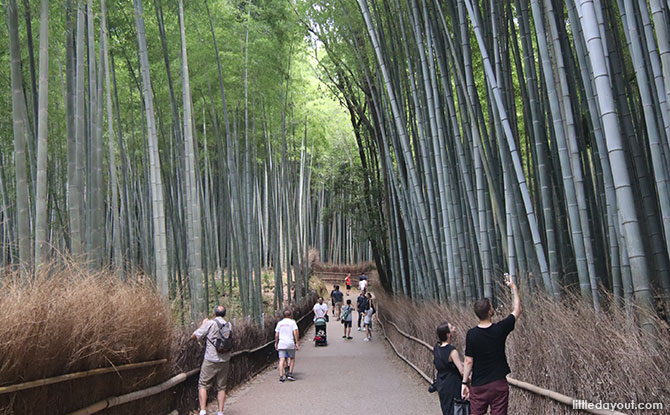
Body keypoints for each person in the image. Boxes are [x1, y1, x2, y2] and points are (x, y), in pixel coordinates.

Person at [461, 274, 521, 415]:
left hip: (479, 385)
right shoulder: (500, 329)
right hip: (498, 384)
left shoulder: (471, 334)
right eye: (492, 306)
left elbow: (469, 361)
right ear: (489, 312)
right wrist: (514, 288)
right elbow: (517, 310)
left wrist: (464, 383)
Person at [191, 305, 232, 415]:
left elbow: (194, 335)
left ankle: (203, 410)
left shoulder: (210, 323)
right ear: (224, 314)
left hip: (211, 358)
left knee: (203, 384)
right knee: (222, 387)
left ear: (214, 314)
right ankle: (220, 412)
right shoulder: (229, 324)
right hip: (225, 359)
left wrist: (203, 324)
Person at [433, 322, 465, 415]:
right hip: (453, 384)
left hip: (441, 383)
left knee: (446, 409)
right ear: (448, 334)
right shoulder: (452, 351)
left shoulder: (436, 347)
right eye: (451, 328)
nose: (454, 328)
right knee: (455, 410)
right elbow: (462, 371)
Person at [275, 309, 300, 382]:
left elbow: (276, 335)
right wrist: (297, 342)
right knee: (292, 358)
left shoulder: (280, 323)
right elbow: (296, 332)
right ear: (290, 315)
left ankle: (281, 376)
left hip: (282, 343)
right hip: (290, 342)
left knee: (282, 359)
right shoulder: (292, 322)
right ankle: (290, 374)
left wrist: (276, 343)